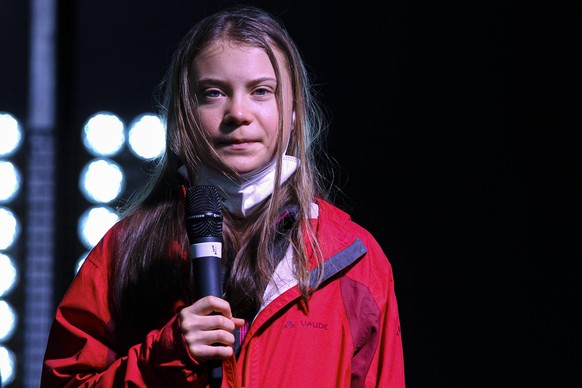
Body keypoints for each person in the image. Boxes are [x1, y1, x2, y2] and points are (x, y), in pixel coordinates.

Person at [41, 5, 405, 387]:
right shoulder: (124, 253)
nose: (238, 113)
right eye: (213, 93)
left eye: (262, 91)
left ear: (294, 111)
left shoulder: (354, 261)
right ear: (184, 114)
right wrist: (165, 355)